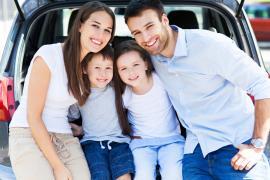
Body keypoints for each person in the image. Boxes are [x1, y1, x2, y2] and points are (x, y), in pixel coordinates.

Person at [124, 0, 270, 179]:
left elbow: (263, 85)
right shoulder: (148, 58)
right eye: (137, 33)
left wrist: (256, 146)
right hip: (195, 150)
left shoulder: (210, 45)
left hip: (238, 144)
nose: (146, 38)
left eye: (149, 26)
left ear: (164, 20)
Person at [8, 1, 116, 180]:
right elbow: (33, 116)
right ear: (80, 25)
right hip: (29, 133)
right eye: (95, 26)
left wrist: (82, 129)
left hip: (64, 135)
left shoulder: (90, 66)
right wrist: (58, 166)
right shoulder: (49, 56)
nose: (101, 35)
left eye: (107, 30)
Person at [113, 40, 185, 180]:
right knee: (143, 175)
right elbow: (112, 119)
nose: (131, 72)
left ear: (146, 64)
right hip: (142, 143)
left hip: (171, 140)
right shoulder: (125, 94)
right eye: (124, 68)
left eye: (135, 65)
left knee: (173, 174)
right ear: (118, 72)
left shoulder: (161, 81)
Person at [68, 45, 135, 180]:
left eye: (108, 68)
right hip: (92, 144)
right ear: (85, 69)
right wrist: (78, 129)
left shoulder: (119, 89)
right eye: (97, 68)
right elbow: (70, 116)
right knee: (99, 176)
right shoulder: (80, 94)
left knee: (124, 177)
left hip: (120, 143)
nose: (103, 74)